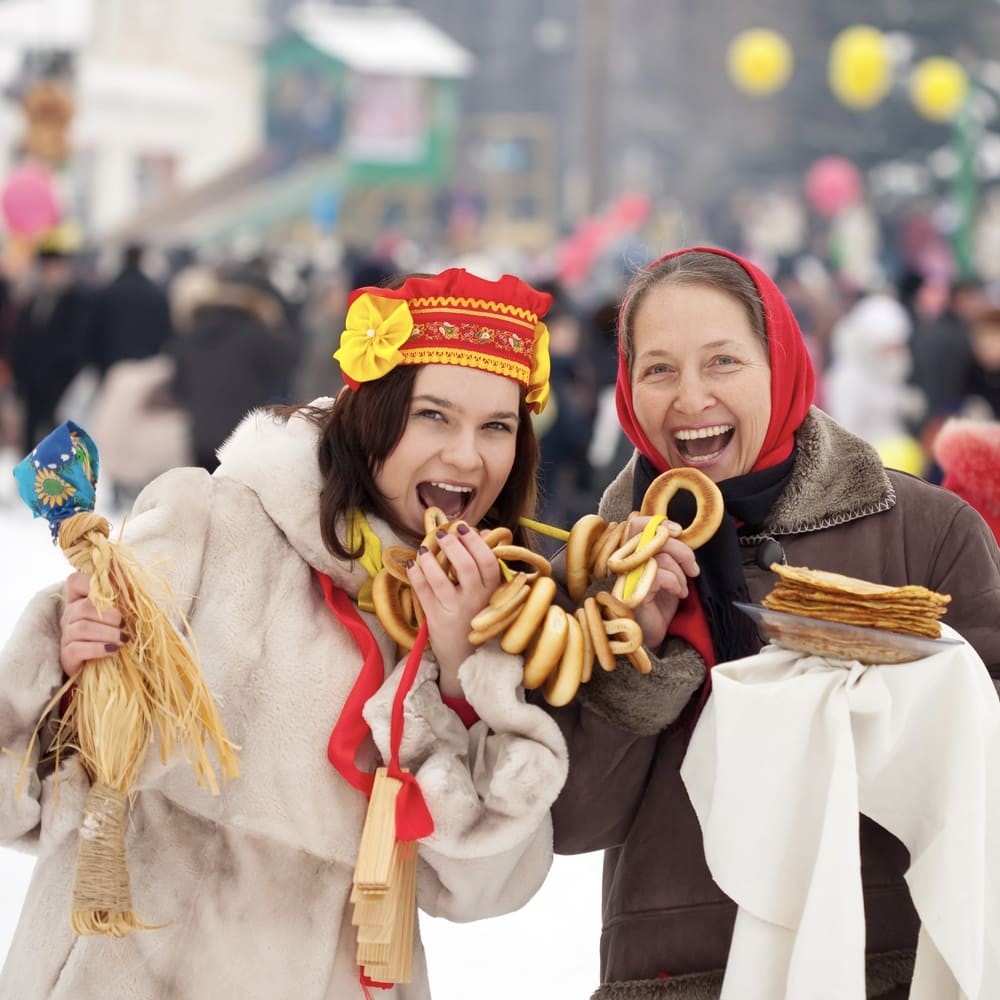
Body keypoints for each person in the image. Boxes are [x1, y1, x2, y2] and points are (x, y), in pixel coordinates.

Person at [0, 267, 569, 999]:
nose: (468, 456)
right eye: (435, 416)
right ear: (375, 412)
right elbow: (30, 795)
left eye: (497, 426)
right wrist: (75, 668)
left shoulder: (495, 612)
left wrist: (462, 669)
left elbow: (482, 887)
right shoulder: (208, 523)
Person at [541, 246, 1000, 1000]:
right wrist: (637, 653)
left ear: (779, 362)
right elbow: (571, 822)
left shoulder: (925, 532)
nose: (690, 398)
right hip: (674, 975)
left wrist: (867, 695)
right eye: (658, 369)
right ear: (627, 387)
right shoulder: (598, 566)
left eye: (723, 361)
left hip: (886, 968)